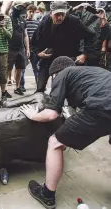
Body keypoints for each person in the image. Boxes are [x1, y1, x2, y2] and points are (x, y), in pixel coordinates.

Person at [20, 56, 111, 209]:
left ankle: (47, 195)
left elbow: (51, 114)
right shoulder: (93, 72)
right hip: (105, 103)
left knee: (55, 142)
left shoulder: (64, 74)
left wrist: (33, 115)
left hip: (100, 107)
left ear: (55, 73)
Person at [31, 1, 95, 93]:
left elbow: (90, 36)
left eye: (62, 14)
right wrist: (39, 53)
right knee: (40, 88)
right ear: (51, 14)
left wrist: (84, 54)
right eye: (57, 14)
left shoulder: (74, 21)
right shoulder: (44, 23)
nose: (60, 17)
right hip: (49, 58)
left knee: (70, 90)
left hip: (68, 58)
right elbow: (34, 43)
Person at [6, 2, 30, 96]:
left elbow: (26, 35)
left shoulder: (23, 20)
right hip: (10, 47)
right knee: (8, 67)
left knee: (19, 68)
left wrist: (27, 49)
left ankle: (17, 87)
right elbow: (6, 11)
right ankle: (5, 87)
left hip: (20, 48)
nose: (20, 9)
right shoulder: (10, 18)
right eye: (18, 7)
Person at [20, 4, 40, 91]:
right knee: (22, 68)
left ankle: (39, 85)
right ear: (27, 12)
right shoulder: (24, 22)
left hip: (35, 48)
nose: (31, 13)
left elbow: (40, 35)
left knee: (36, 68)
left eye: (33, 12)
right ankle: (21, 86)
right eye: (30, 11)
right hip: (25, 48)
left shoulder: (37, 23)